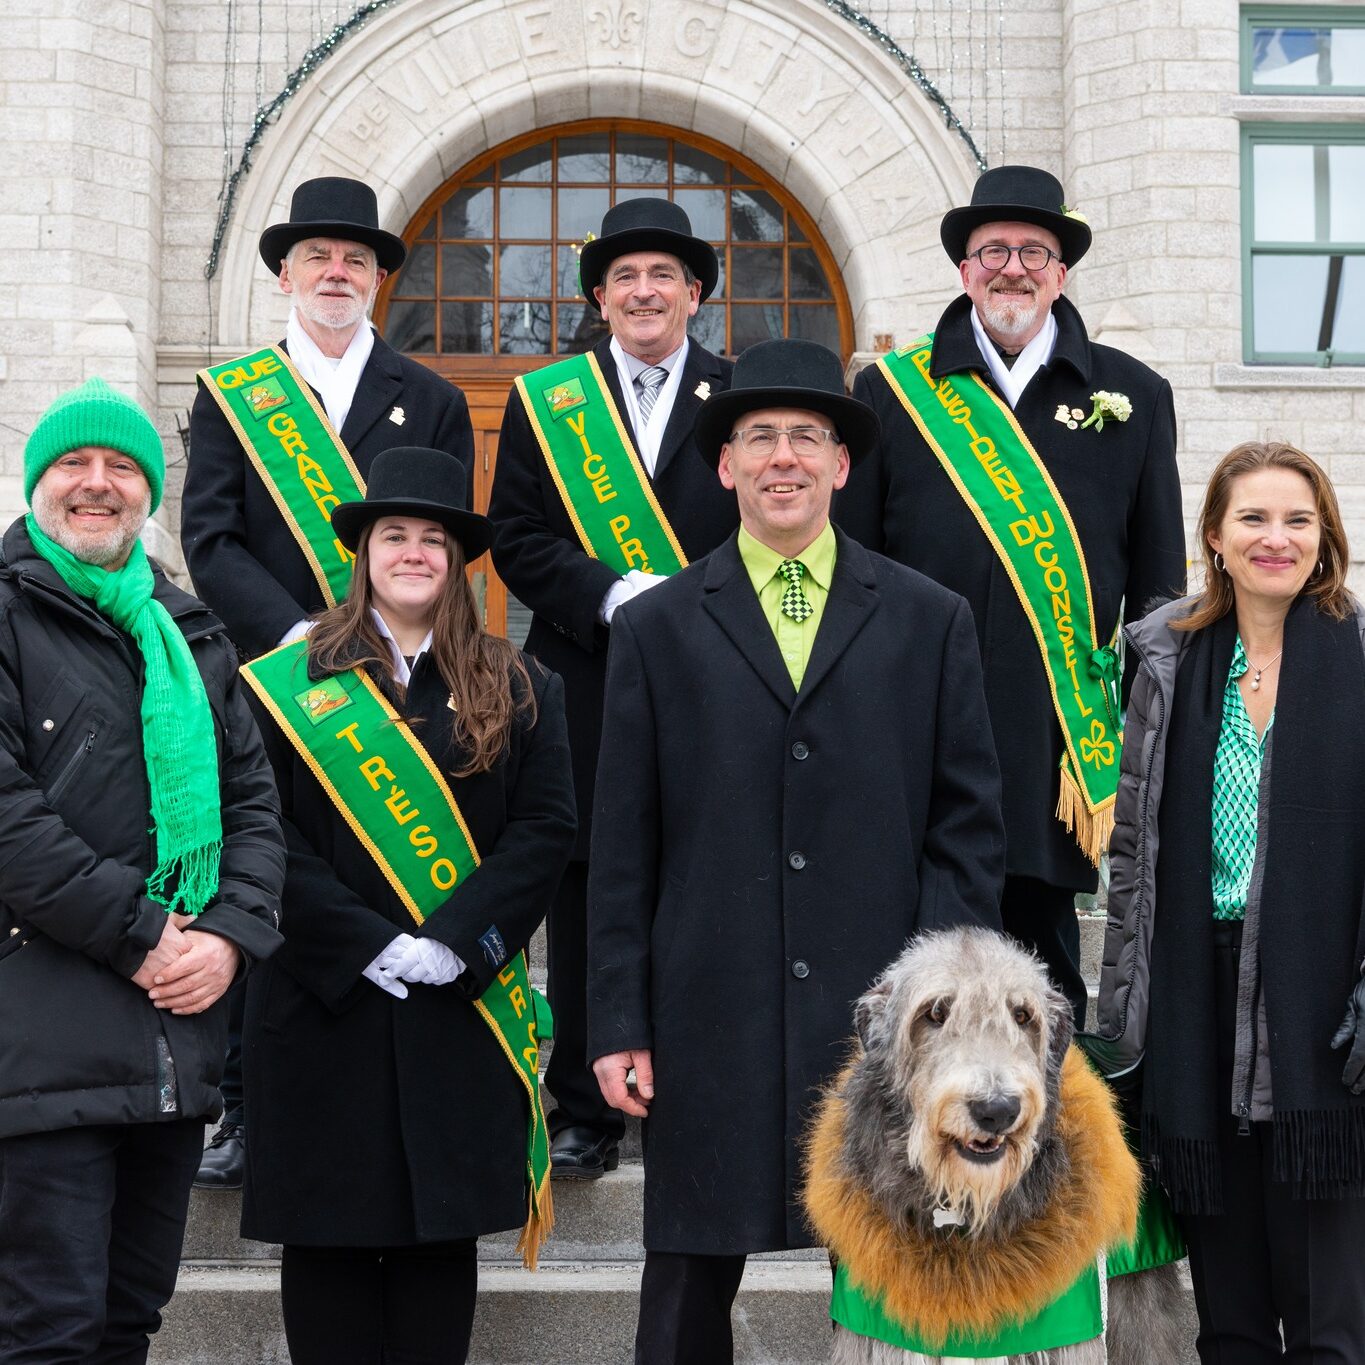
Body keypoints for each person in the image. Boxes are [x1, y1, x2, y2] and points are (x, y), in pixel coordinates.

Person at [587, 338, 1005, 1364]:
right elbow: (622, 848)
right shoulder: (656, 627)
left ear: (842, 464)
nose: (785, 457)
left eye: (807, 438)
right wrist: (619, 1019)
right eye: (760, 437)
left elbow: (965, 830)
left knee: (892, 1284)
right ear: (725, 464)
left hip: (880, 1021)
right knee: (686, 1289)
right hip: (704, 1013)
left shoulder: (929, 619)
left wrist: (942, 1009)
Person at [239, 446, 577, 1365]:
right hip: (322, 1009)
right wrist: (364, 944)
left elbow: (544, 834)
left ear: (458, 559)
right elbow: (258, 829)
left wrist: (459, 942)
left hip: (452, 1011)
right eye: (396, 534)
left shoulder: (519, 685)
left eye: (434, 537)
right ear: (365, 552)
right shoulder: (287, 681)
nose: (415, 552)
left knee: (437, 1258)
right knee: (326, 1260)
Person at [838, 164, 1185, 1029]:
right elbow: (857, 569)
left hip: (1055, 740)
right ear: (963, 270)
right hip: (918, 725)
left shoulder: (1133, 396)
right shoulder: (891, 393)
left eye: (1035, 251)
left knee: (1042, 971)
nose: (1012, 268)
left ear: (1061, 273)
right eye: (992, 250)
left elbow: (1156, 587)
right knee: (920, 965)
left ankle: (1052, 1145)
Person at [182, 174, 476, 1188]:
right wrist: (303, 630)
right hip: (271, 682)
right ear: (286, 275)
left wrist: (382, 632)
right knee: (263, 882)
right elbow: (209, 539)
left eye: (356, 259)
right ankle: (246, 1108)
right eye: (319, 257)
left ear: (378, 281)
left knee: (372, 886)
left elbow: (448, 548)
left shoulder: (431, 399)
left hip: (401, 688)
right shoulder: (235, 395)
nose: (338, 272)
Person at [0, 377, 285, 1362]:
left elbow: (253, 805)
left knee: (129, 1325)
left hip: (171, 1052)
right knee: (47, 1334)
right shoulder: (4, 615)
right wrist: (145, 931)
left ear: (148, 490)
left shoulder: (187, 630)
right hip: (39, 1053)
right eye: (74, 464)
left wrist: (232, 937)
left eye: (121, 466)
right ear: (39, 483)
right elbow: (9, 823)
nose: (98, 484)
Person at [1092, 440, 1365, 1360]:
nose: (1275, 537)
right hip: (1196, 1005)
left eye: (1297, 518)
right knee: (1231, 1321)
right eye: (1252, 517)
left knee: (1331, 1325)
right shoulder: (1168, 661)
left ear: (1324, 534)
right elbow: (1133, 852)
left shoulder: (1358, 658)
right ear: (1213, 535)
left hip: (1324, 1011)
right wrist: (1123, 1017)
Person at [488, 197, 737, 1179]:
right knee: (592, 889)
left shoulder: (740, 392)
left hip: (721, 681)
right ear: (600, 295)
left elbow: (773, 515)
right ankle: (585, 1104)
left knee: (708, 882)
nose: (644, 292)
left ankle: (704, 1083)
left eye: (663, 276)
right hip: (585, 684)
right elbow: (515, 539)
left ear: (695, 294)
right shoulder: (545, 398)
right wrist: (613, 590)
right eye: (625, 277)